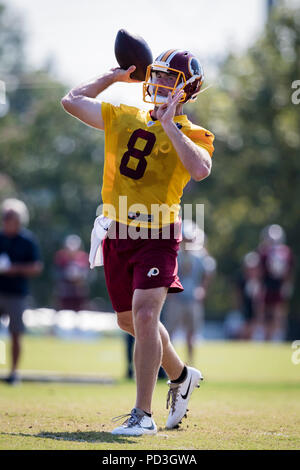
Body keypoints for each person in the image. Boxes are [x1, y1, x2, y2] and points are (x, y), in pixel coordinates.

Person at [61, 49, 214, 436]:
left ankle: (142, 415)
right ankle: (181, 376)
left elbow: (200, 169)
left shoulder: (194, 133)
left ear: (188, 90)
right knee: (130, 320)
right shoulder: (125, 115)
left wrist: (171, 125)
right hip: (118, 231)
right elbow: (71, 101)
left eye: (170, 79)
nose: (161, 84)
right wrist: (113, 77)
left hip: (159, 233)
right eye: (158, 76)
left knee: (146, 316)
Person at [0, 198, 43, 384]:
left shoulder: (27, 240)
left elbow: (36, 267)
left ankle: (14, 372)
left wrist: (14, 269)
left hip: (17, 293)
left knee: (16, 334)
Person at [165, 220, 216, 364]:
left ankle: (190, 362)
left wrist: (203, 289)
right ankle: (171, 364)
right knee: (170, 333)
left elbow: (209, 271)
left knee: (191, 335)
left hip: (192, 299)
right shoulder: (175, 255)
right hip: (176, 298)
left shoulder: (199, 256)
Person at [258, 224, 294, 341]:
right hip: (267, 286)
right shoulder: (264, 252)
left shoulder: (286, 252)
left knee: (278, 313)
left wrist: (287, 285)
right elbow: (260, 270)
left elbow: (289, 271)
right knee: (265, 313)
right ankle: (265, 336)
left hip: (278, 286)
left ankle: (277, 337)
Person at [54, 234, 90, 311]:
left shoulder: (83, 256)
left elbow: (87, 273)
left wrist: (79, 277)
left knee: (78, 308)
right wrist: (67, 275)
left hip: (78, 289)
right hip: (65, 288)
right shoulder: (61, 256)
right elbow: (56, 272)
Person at [234, 251, 264, 340]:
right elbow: (238, 297)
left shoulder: (259, 281)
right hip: (244, 310)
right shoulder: (241, 280)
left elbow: (259, 299)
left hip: (254, 311)